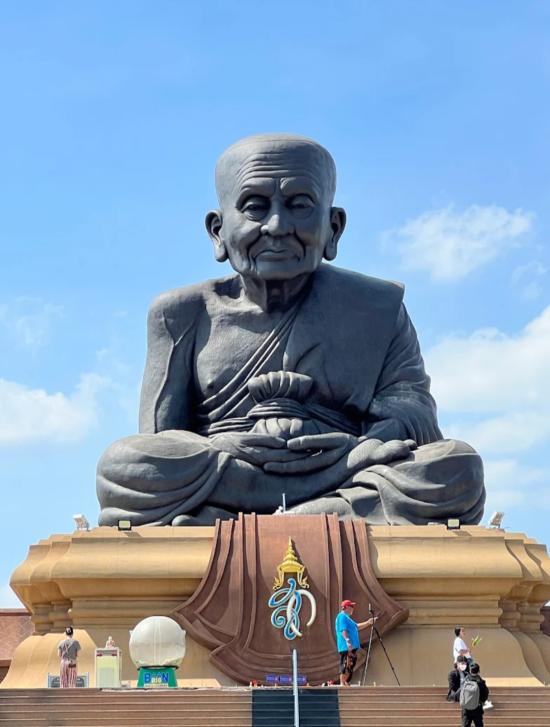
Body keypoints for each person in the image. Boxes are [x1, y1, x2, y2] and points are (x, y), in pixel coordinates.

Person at [96, 133, 485, 527]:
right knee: (126, 464)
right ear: (218, 231)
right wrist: (225, 447)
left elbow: (416, 420)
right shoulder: (181, 313)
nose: (277, 226)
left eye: (300, 205)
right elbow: (159, 440)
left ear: (333, 227)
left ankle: (243, 521)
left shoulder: (376, 307)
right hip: (231, 469)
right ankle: (324, 517)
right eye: (255, 207)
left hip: (344, 467)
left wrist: (352, 452)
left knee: (457, 466)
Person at [334, 599, 377, 686]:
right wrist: (348, 641)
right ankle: (342, 683)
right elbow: (343, 630)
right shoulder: (341, 617)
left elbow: (356, 626)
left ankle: (345, 682)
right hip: (346, 647)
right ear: (346, 607)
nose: (353, 608)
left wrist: (368, 622)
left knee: (350, 664)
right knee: (345, 663)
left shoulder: (347, 618)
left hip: (351, 647)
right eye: (351, 606)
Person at [460, 662, 489, 727]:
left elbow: (460, 692)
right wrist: (482, 701)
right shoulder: (481, 682)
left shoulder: (465, 681)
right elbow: (485, 695)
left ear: (470, 671)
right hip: (477, 708)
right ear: (478, 671)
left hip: (466, 708)